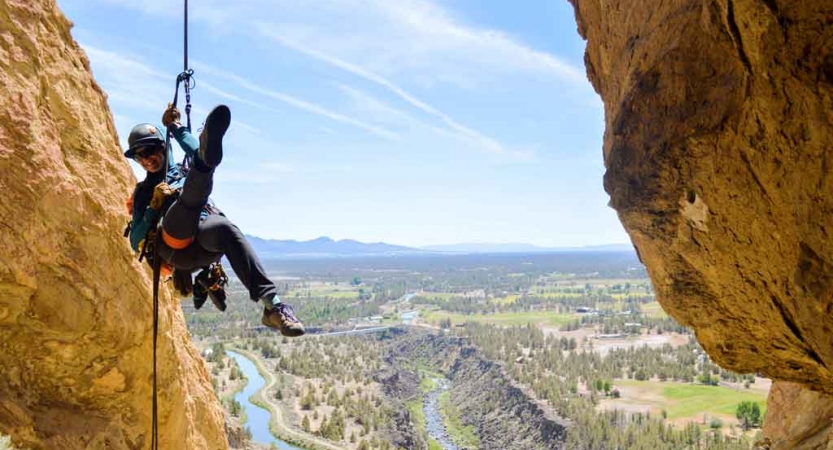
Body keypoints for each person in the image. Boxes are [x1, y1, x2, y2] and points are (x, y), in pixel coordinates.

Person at [124, 103, 305, 337]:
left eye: (151, 150)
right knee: (188, 200)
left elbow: (194, 153)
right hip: (174, 246)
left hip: (205, 244)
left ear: (163, 147)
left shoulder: (181, 172)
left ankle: (274, 307)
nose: (147, 158)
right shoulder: (143, 192)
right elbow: (135, 239)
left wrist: (176, 128)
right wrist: (154, 206)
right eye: (140, 155)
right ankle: (205, 164)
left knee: (225, 228)